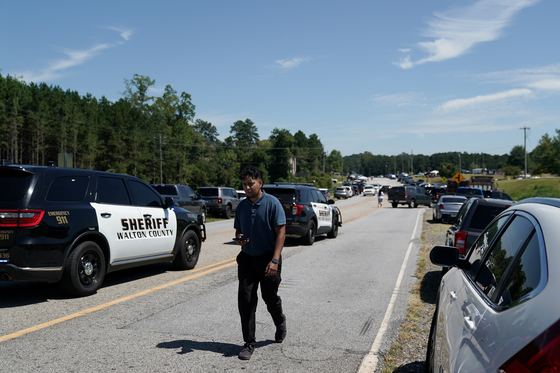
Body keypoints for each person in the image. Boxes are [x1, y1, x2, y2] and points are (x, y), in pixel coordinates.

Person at [233, 165, 287, 360]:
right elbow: (238, 232)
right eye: (244, 184)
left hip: (268, 258)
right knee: (246, 301)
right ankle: (249, 343)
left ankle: (280, 321)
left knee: (269, 297)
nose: (247, 188)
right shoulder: (241, 206)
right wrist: (239, 238)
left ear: (260, 183)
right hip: (247, 258)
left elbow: (281, 232)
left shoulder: (272, 203)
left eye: (251, 183)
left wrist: (275, 259)